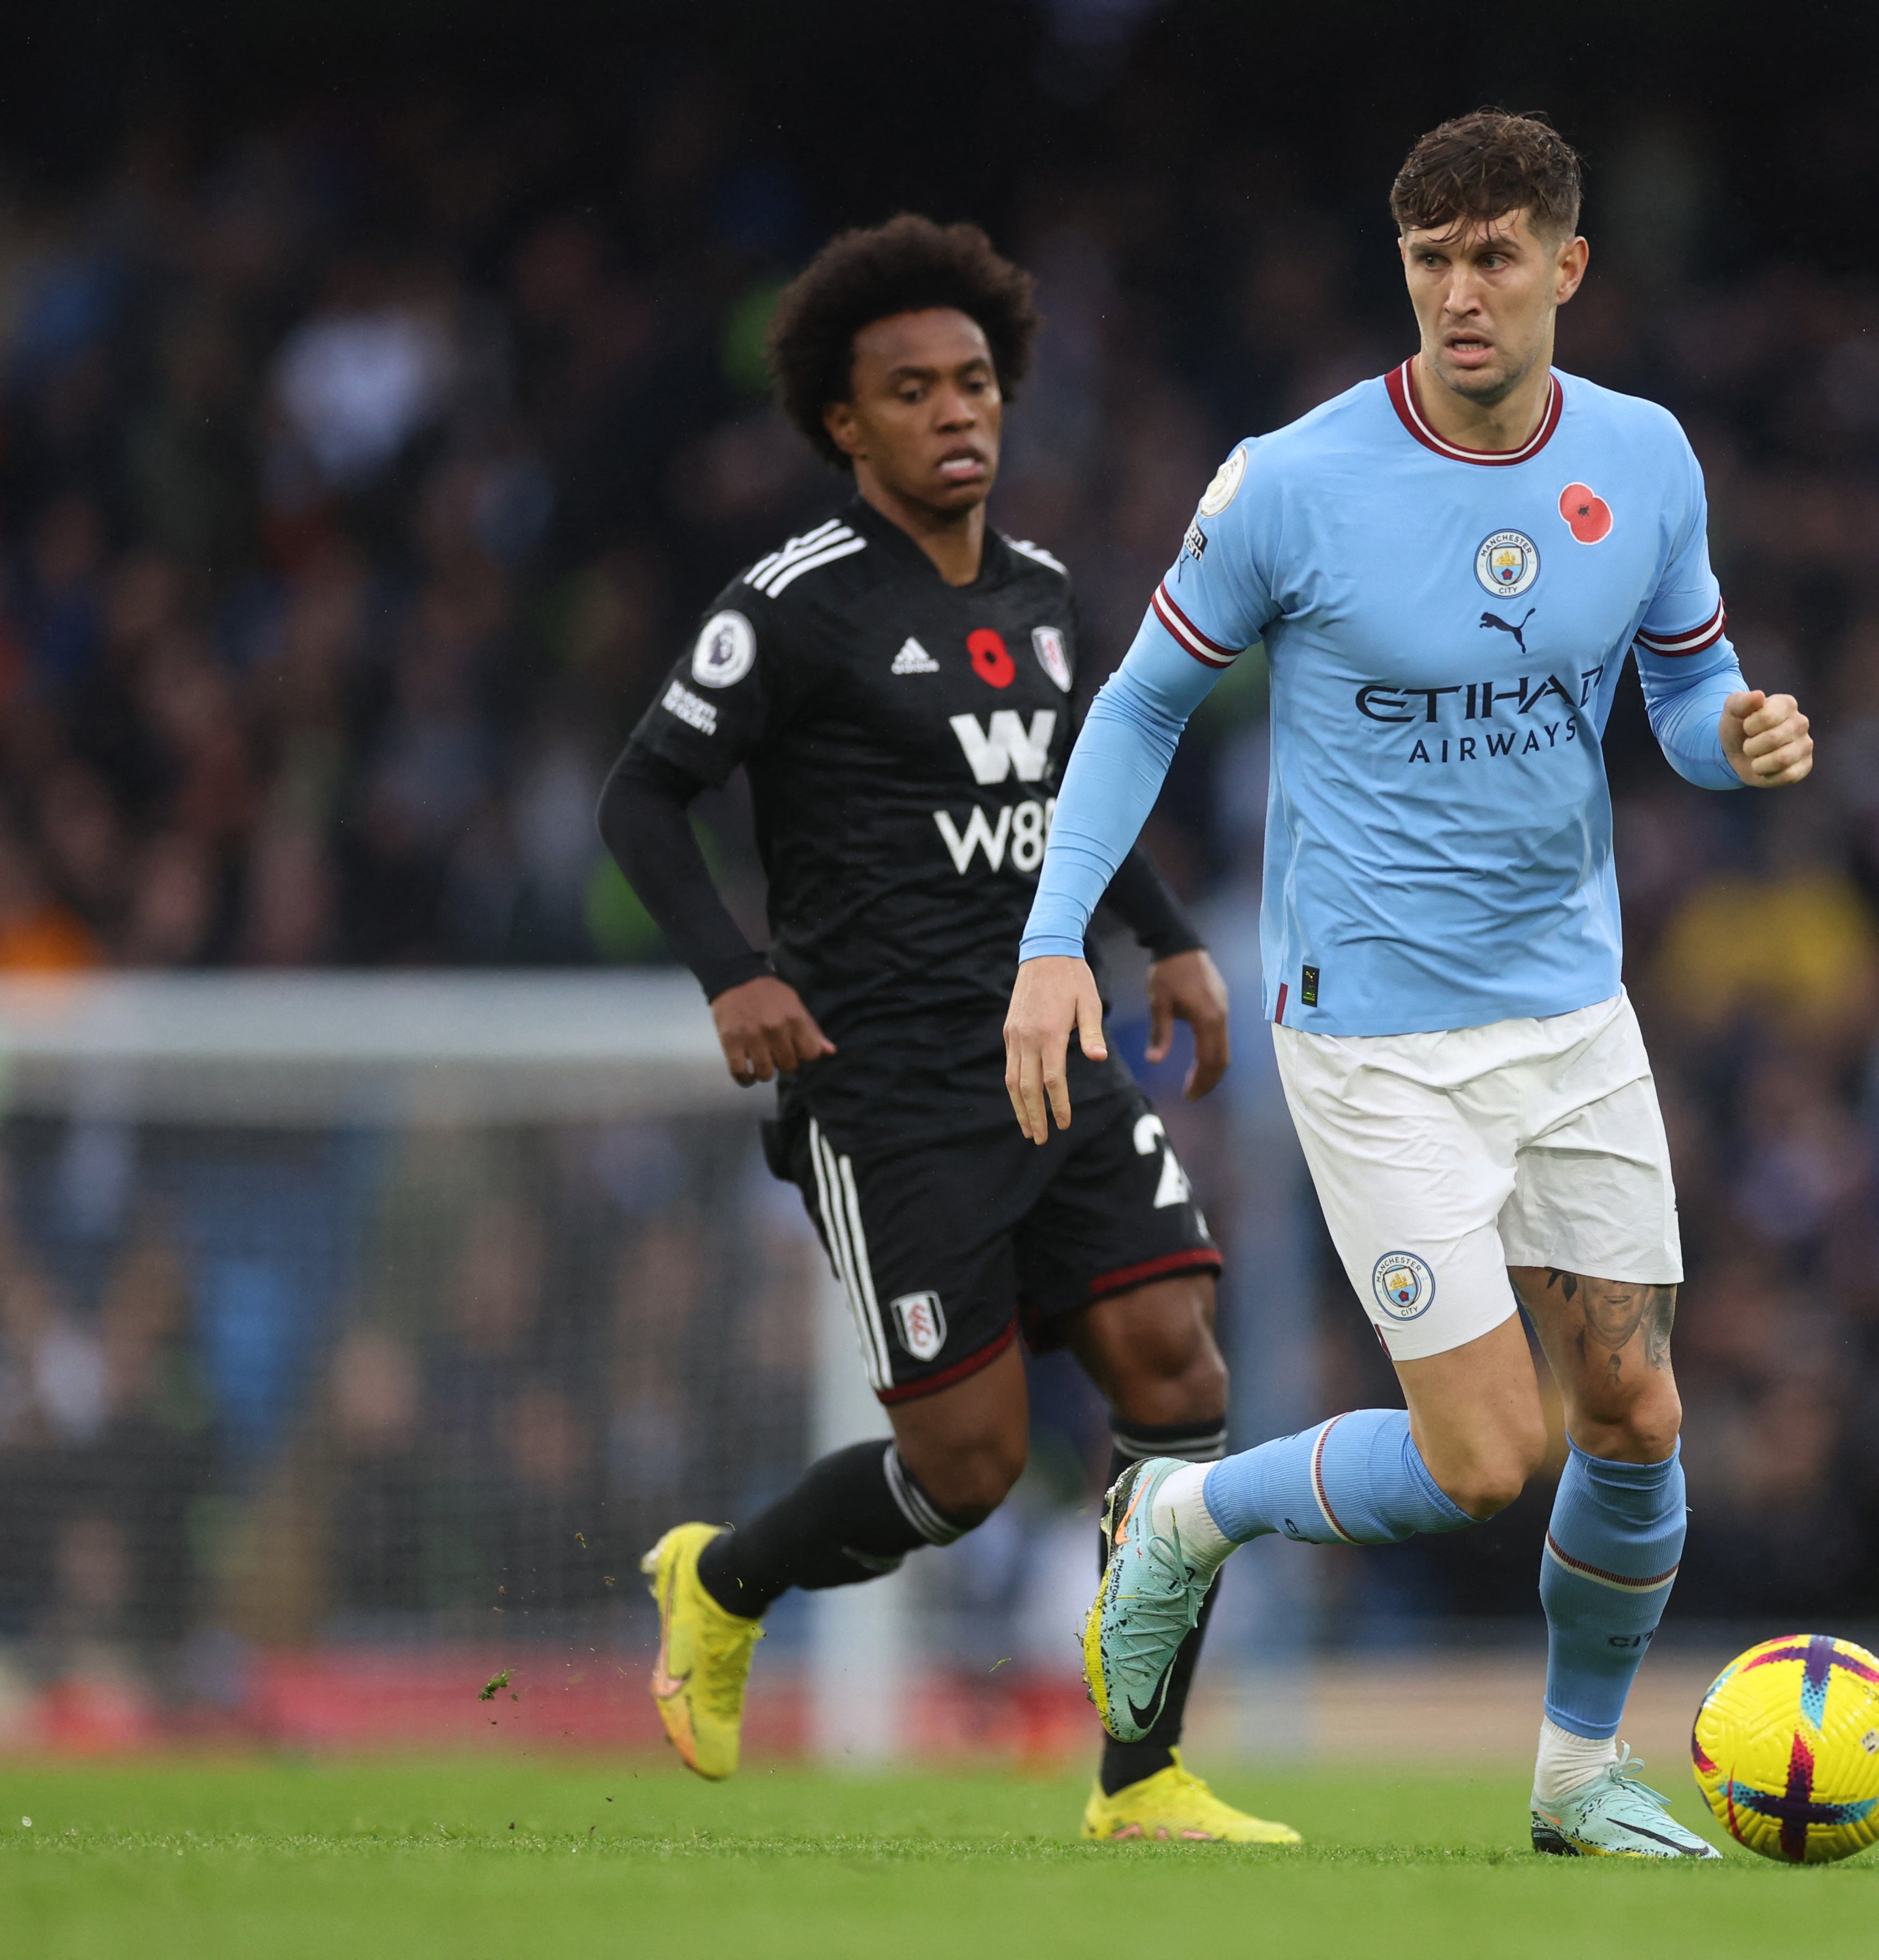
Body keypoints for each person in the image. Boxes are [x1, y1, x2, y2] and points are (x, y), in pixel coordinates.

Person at [1005, 112, 1815, 1857]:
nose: (1463, 293)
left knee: (1640, 1412)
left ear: (1567, 269)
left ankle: (1576, 1778)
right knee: (1480, 1458)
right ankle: (1180, 1519)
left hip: (1575, 1012)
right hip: (1374, 1029)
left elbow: (1684, 693)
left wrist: (1741, 742)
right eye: (1434, 261)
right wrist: (1052, 941)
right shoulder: (1290, 482)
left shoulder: (1648, 461)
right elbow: (1140, 701)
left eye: (1498, 257)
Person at [600, 214, 1294, 1843]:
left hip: (1054, 1041)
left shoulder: (1051, 595)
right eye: (910, 390)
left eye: (975, 379)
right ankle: (725, 1578)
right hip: (886, 1084)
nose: (954, 410)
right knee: (967, 1465)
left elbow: (1071, 800)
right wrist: (732, 970)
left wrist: (1172, 947)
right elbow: (642, 797)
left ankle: (1143, 1773)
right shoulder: (793, 604)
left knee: (1173, 1355)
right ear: (845, 424)